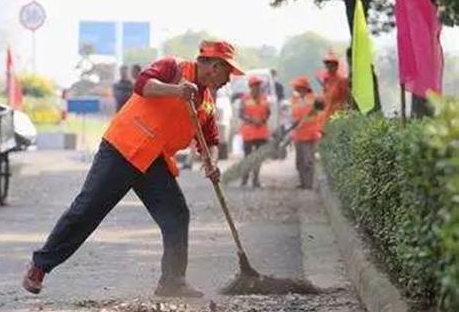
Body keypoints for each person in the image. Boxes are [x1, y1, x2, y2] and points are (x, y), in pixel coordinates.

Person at [22, 40, 244, 298]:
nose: (228, 80)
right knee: (87, 209)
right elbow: (143, 85)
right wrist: (175, 90)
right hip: (122, 148)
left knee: (176, 214)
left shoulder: (206, 102)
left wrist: (212, 161)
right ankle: (40, 267)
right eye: (228, 73)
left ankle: (172, 281)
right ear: (215, 66)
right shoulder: (173, 67)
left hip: (153, 161)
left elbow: (211, 140)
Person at [289, 76, 324, 190]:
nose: (296, 90)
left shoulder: (314, 99)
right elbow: (293, 116)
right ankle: (302, 182)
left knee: (308, 161)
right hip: (299, 135)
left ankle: (309, 184)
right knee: (299, 162)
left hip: (311, 135)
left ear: (304, 88)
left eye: (298, 88)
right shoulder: (295, 100)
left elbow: (321, 107)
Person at [239, 75, 271, 188]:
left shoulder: (264, 98)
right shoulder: (245, 99)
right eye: (254, 86)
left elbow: (268, 112)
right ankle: (244, 180)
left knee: (258, 157)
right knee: (247, 157)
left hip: (261, 133)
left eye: (258, 85)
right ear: (250, 87)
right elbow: (241, 114)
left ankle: (256, 180)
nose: (256, 88)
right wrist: (252, 120)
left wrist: (262, 120)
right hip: (248, 133)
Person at [321, 51, 349, 119]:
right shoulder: (326, 80)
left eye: (332, 65)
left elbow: (346, 98)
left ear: (336, 66)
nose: (329, 67)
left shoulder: (342, 80)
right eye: (327, 65)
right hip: (326, 115)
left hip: (338, 115)